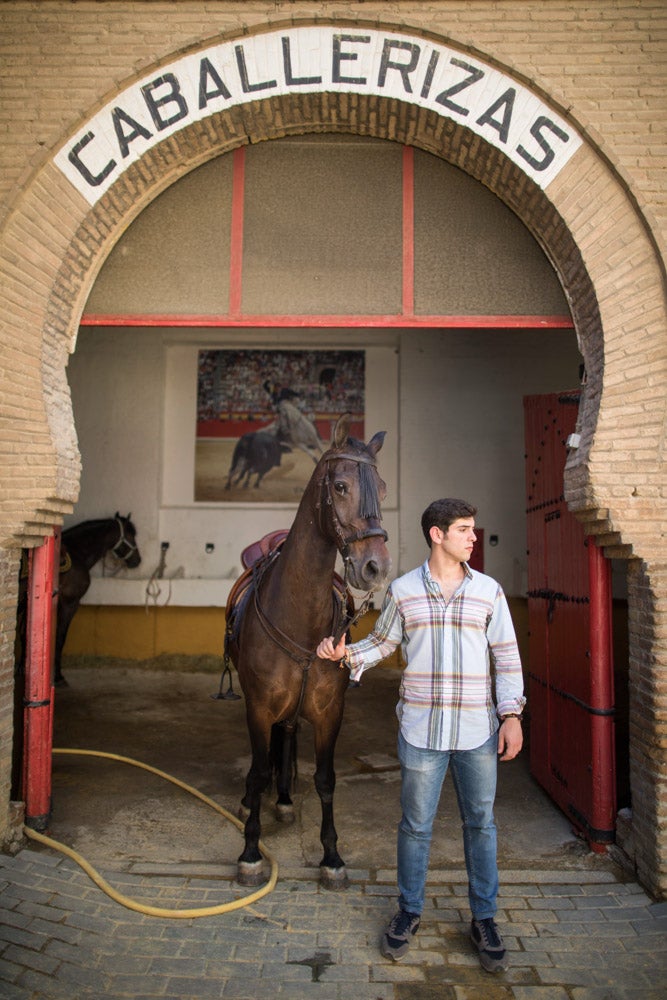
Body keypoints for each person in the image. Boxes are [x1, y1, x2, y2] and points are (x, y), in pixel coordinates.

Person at [316, 498, 525, 974]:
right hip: (422, 732)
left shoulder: (489, 592)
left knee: (482, 826)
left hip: (477, 732)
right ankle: (409, 912)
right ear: (437, 534)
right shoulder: (405, 590)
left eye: (474, 529)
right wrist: (346, 655)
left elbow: (507, 658)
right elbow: (384, 642)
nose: (474, 537)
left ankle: (485, 919)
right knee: (415, 827)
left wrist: (511, 715)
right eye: (465, 529)